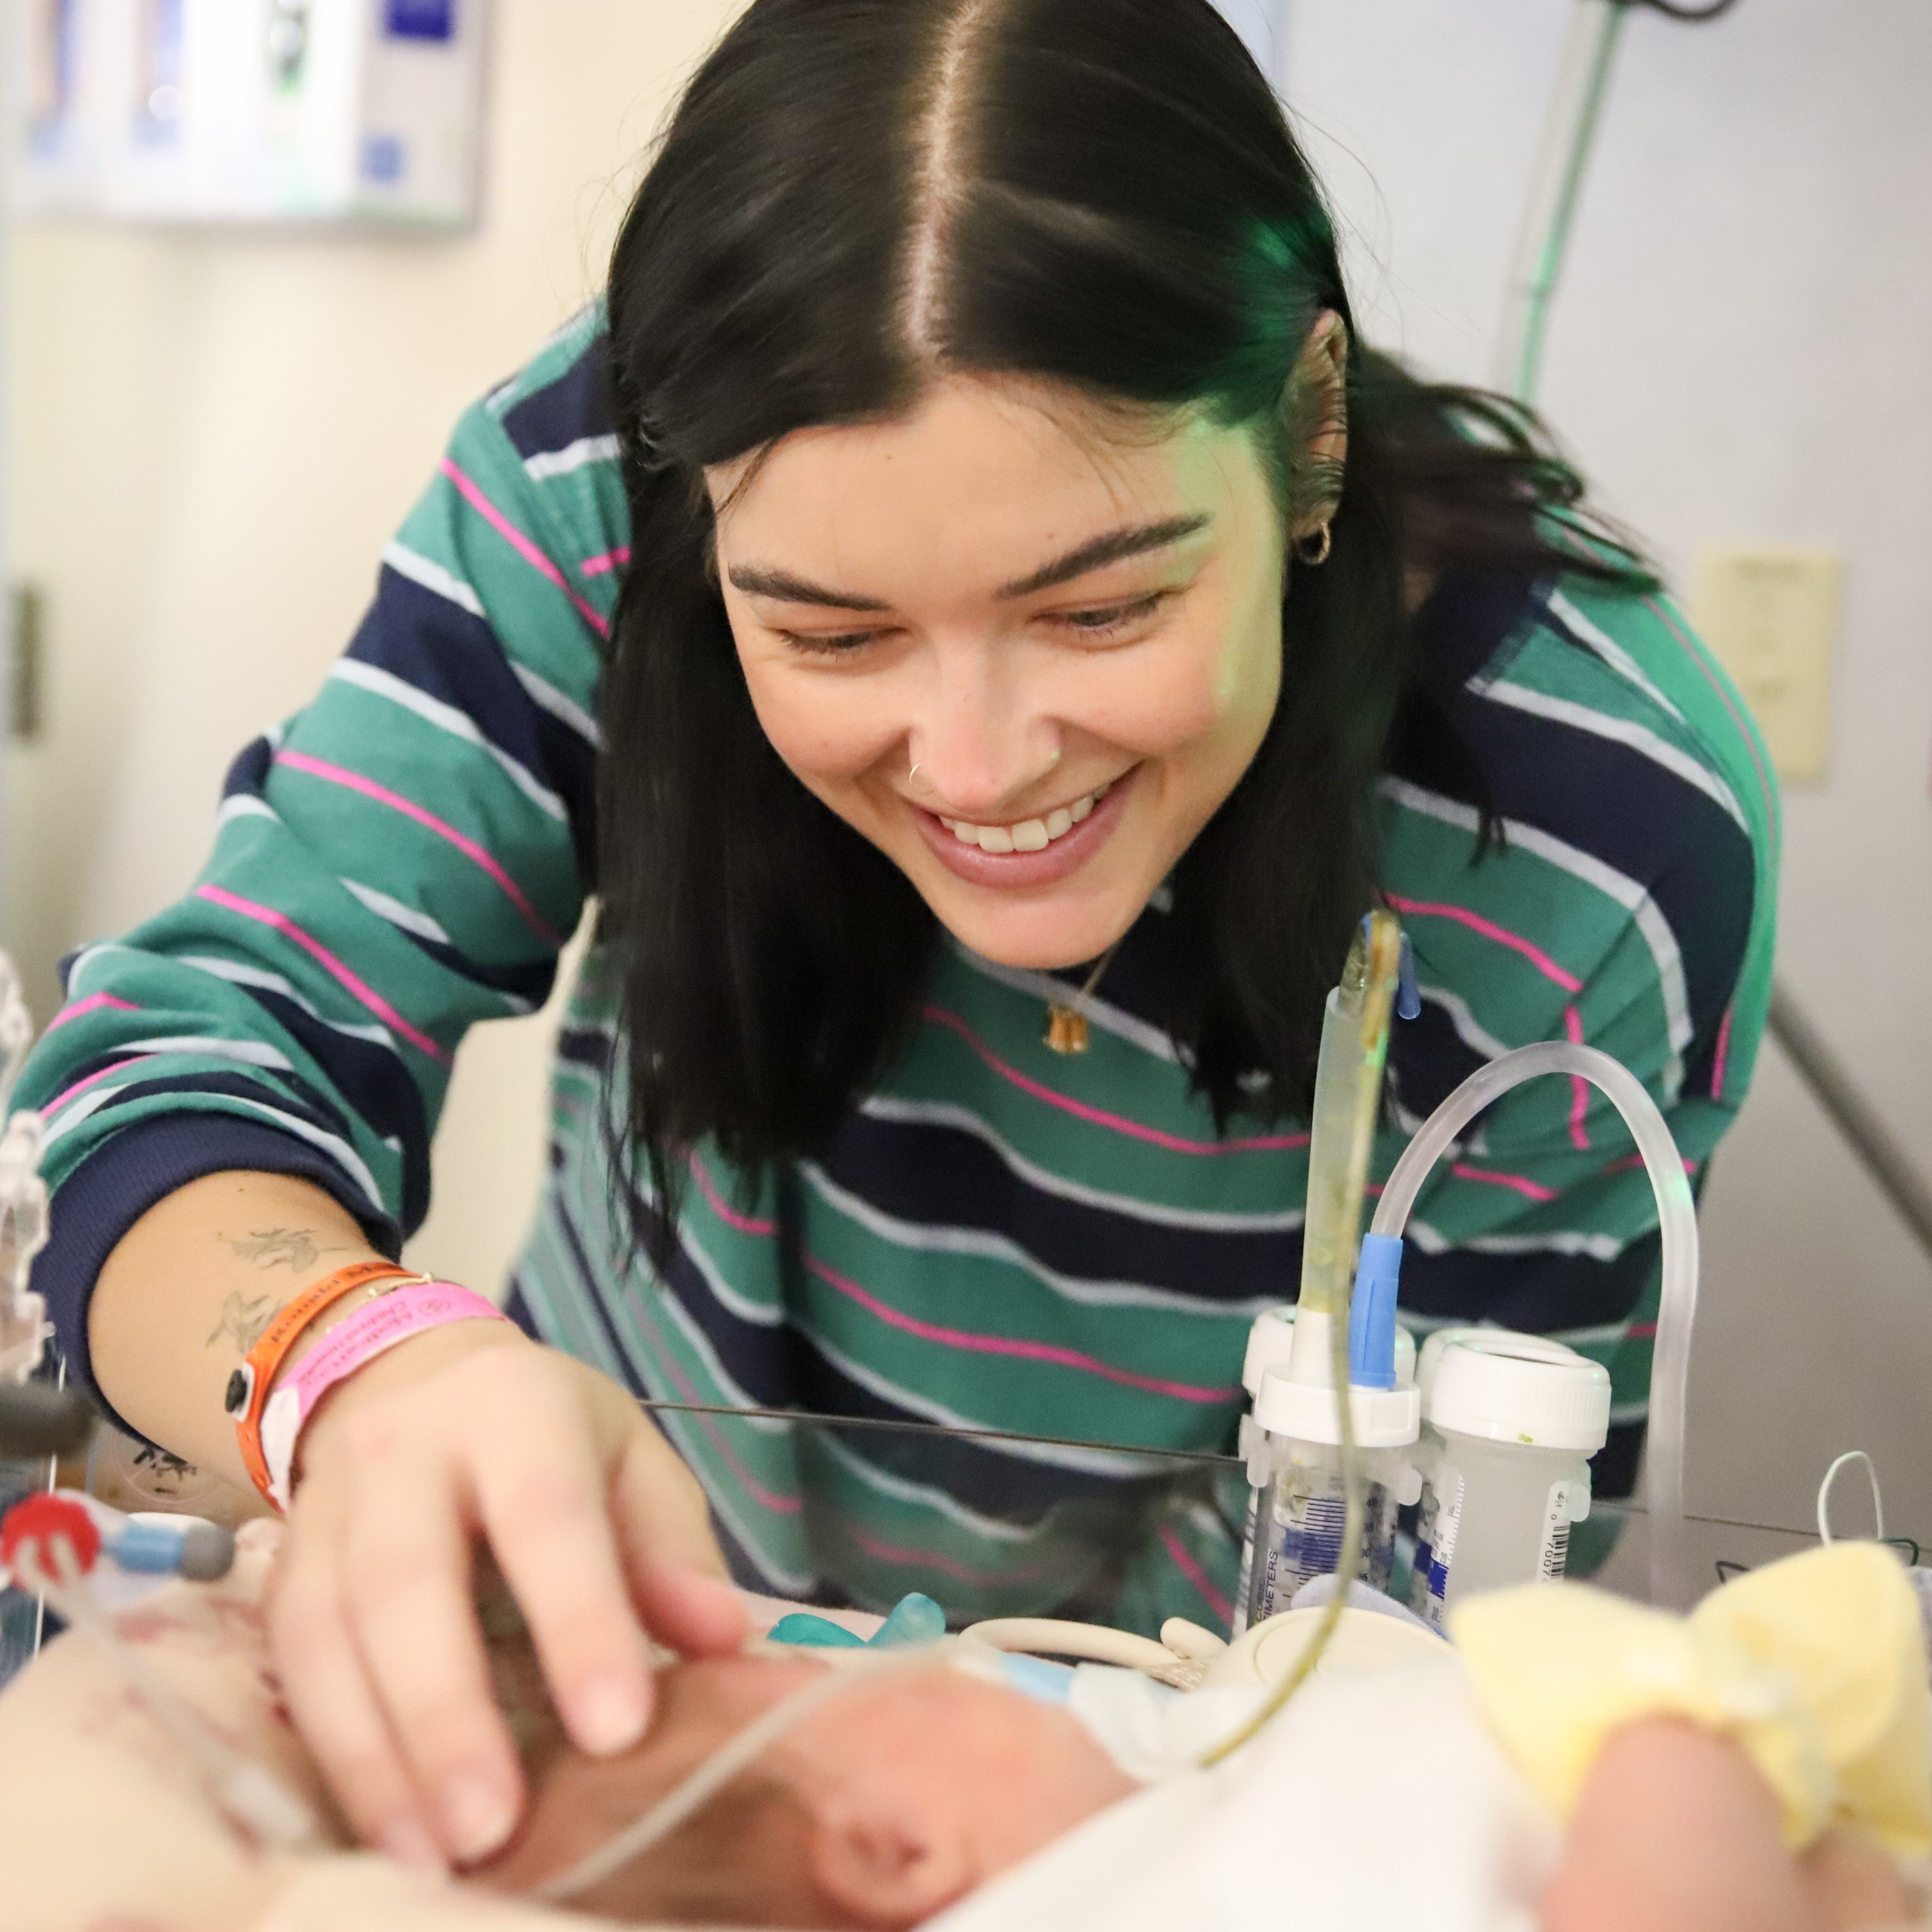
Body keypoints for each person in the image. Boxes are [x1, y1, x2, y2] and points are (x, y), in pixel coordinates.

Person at [15, 0, 1777, 1873]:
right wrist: (356, 1370)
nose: (979, 767)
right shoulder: (593, 499)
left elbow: (1442, 1623)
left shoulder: (1600, 833)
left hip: (1178, 1789)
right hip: (615, 1674)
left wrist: (1103, 1810)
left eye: (1102, 611)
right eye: (835, 637)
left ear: (1311, 426)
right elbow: (176, 1064)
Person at [0, 1532, 1920, 1931]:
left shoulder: (1203, 1774)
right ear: (894, 1855)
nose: (967, 1656)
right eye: (887, 1683)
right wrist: (1683, 1755)